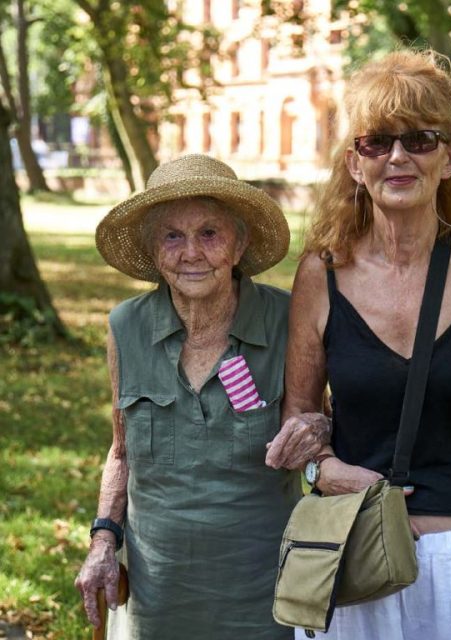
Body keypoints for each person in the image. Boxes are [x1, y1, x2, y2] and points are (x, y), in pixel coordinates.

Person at [266, 49, 451, 640]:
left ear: (450, 159)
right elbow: (299, 410)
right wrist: (325, 469)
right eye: (377, 142)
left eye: (420, 140)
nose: (398, 157)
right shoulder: (323, 273)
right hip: (355, 548)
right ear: (353, 163)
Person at [75, 154, 329, 640]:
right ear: (153, 252)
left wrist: (317, 429)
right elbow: (121, 448)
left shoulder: (288, 319)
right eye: (172, 236)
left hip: (264, 591)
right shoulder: (125, 327)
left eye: (209, 233)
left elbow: (325, 425)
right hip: (158, 590)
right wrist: (103, 541)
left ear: (240, 244)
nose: (191, 252)